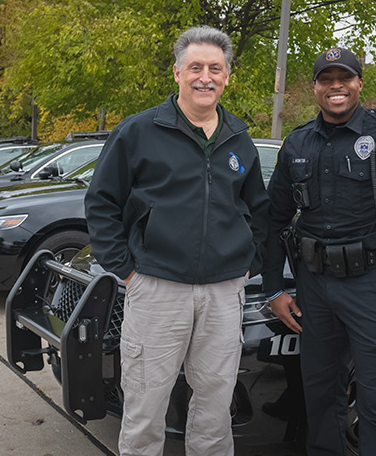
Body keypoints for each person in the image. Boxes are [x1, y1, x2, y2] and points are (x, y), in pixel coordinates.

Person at [84, 25, 269, 456]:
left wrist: (249, 263)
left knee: (215, 406)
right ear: (177, 73)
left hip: (224, 292)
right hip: (157, 288)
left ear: (227, 77)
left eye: (215, 69)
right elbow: (101, 203)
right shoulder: (138, 132)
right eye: (196, 67)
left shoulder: (239, 139)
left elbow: (259, 211)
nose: (206, 77)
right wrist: (127, 269)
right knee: (146, 404)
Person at [262, 46, 376, 456]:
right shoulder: (297, 144)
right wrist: (274, 289)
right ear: (315, 88)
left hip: (372, 287)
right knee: (320, 398)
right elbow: (273, 220)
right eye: (326, 80)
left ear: (359, 83)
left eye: (344, 78)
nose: (336, 86)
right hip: (314, 289)